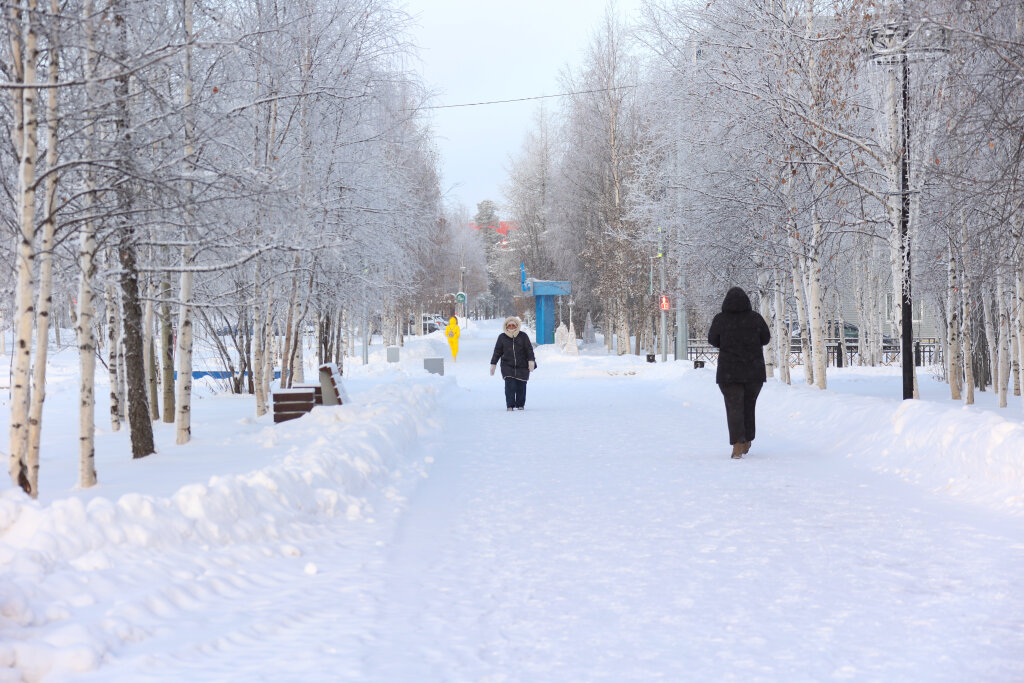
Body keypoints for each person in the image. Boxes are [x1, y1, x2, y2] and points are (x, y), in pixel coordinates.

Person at [707, 287, 771, 459]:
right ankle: (747, 439)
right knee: (749, 406)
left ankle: (737, 444)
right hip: (753, 371)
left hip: (729, 371)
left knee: (734, 407)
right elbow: (766, 338)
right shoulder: (755, 318)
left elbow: (712, 339)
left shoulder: (721, 319)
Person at [490, 316, 536, 411]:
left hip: (522, 366)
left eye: (513, 325)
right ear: (506, 326)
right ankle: (510, 405)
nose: (511, 327)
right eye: (509, 325)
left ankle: (520, 405)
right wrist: (493, 364)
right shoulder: (502, 337)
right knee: (510, 386)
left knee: (521, 386)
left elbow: (529, 350)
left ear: (517, 326)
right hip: (507, 366)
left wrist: (531, 360)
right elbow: (497, 351)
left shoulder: (523, 336)